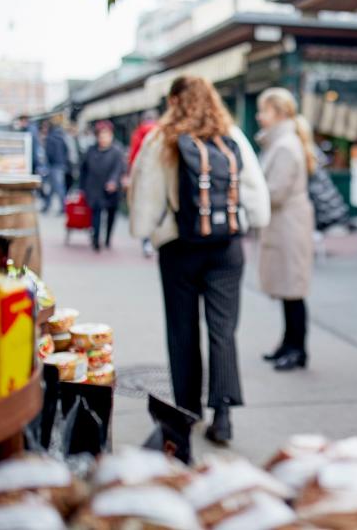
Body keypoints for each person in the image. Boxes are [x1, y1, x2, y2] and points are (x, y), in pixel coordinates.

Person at [129, 76, 269, 444]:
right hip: (226, 248)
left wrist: (145, 230)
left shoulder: (162, 139)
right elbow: (256, 196)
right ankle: (223, 417)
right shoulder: (232, 135)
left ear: (175, 100)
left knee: (182, 330)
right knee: (223, 330)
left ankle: (187, 412)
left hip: (179, 247)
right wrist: (251, 221)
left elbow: (145, 197)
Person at [254, 88, 316, 372]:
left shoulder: (284, 145)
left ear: (277, 113)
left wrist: (251, 196)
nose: (258, 116)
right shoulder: (281, 143)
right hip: (285, 224)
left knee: (293, 288)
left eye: (263, 110)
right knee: (287, 287)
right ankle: (287, 343)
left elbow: (276, 192)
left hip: (288, 224)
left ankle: (297, 349)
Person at [80, 121, 126, 251]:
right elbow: (84, 169)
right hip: (94, 187)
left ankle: (107, 238)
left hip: (111, 189)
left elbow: (119, 168)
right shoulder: (91, 150)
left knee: (111, 214)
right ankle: (96, 240)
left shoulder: (117, 151)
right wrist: (82, 188)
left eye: (106, 135)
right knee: (96, 214)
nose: (104, 138)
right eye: (101, 135)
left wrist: (113, 181)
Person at [128, 109, 160, 257]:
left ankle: (146, 241)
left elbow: (133, 157)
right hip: (158, 177)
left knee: (144, 208)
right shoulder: (161, 133)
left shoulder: (137, 134)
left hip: (142, 178)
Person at [41, 118, 70, 214]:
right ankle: (47, 205)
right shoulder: (61, 137)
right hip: (61, 165)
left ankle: (64, 207)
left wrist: (48, 164)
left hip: (54, 166)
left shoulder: (50, 138)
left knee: (58, 187)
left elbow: (49, 153)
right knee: (54, 187)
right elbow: (66, 150)